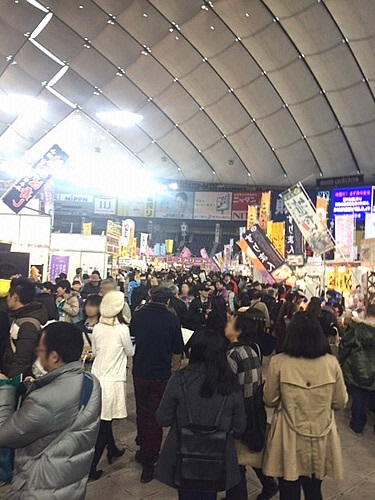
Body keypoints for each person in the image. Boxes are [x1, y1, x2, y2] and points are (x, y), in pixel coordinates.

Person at [0, 322, 101, 499]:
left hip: (38, 487)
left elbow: (3, 434)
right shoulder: (90, 380)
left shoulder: (43, 400)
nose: (37, 354)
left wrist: (5, 388)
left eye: (40, 350)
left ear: (53, 356)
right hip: (70, 481)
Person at [262, 312, 348, 500]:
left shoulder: (279, 362)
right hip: (321, 433)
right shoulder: (331, 363)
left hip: (288, 435)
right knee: (314, 488)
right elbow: (340, 401)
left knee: (288, 488)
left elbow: (269, 399)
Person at [155, 329, 246, 500]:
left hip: (183, 454)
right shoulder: (230, 383)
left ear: (194, 351)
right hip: (217, 456)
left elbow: (163, 418)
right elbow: (240, 426)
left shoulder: (180, 379)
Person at [130, 286, 183, 483]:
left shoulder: (139, 316)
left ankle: (144, 448)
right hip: (160, 374)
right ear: (168, 301)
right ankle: (149, 462)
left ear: (151, 298)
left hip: (140, 371)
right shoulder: (171, 319)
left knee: (142, 412)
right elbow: (177, 347)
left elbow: (132, 337)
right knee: (155, 416)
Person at [225, 315, 278, 500]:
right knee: (249, 452)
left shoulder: (232, 355)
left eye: (231, 322)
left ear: (238, 330)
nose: (227, 324)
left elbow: (228, 389)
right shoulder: (252, 349)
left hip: (239, 413)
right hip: (253, 410)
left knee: (235, 458)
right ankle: (269, 484)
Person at [90, 291, 134, 480]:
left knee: (104, 419)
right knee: (104, 422)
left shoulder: (98, 327)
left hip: (96, 377)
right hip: (112, 380)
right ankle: (92, 467)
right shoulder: (122, 329)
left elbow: (94, 351)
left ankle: (112, 449)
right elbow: (129, 352)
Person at [339, 304, 375, 434]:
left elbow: (345, 346)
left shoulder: (356, 329)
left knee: (358, 398)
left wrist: (341, 362)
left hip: (357, 368)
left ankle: (357, 424)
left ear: (365, 313)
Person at [2, 278, 48, 378]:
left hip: (21, 380)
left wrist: (11, 383)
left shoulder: (28, 324)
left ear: (15, 297)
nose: (6, 299)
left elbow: (22, 360)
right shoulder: (21, 317)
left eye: (8, 296)